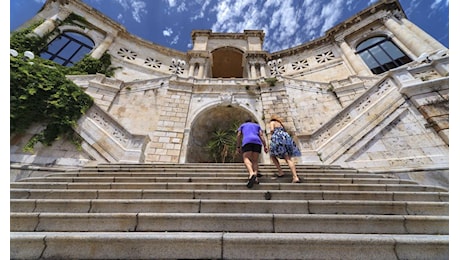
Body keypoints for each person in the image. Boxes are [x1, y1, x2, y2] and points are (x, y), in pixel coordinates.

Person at [268, 115, 301, 183]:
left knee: (272, 155)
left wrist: (272, 136)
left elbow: (272, 130)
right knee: (288, 158)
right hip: (286, 138)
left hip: (277, 139)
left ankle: (280, 171)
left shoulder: (272, 122)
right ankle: (295, 176)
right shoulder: (280, 124)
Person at [236, 118, 268, 188]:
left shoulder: (243, 125)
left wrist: (238, 146)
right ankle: (255, 177)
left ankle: (251, 173)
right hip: (257, 142)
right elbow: (261, 135)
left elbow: (239, 135)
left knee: (246, 158)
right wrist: (265, 145)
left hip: (247, 141)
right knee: (255, 160)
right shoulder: (257, 126)